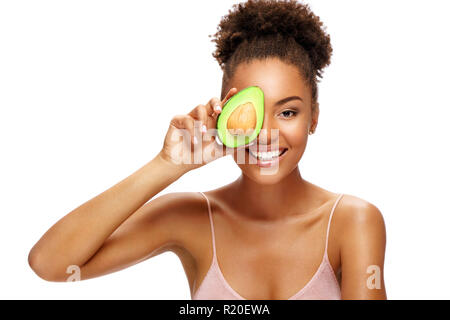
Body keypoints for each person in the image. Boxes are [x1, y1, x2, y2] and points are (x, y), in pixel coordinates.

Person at [28, 0, 387, 300]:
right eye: (251, 114)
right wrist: (168, 164)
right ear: (223, 115)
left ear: (314, 118)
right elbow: (52, 264)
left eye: (288, 112)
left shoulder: (352, 221)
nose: (266, 134)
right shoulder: (189, 217)